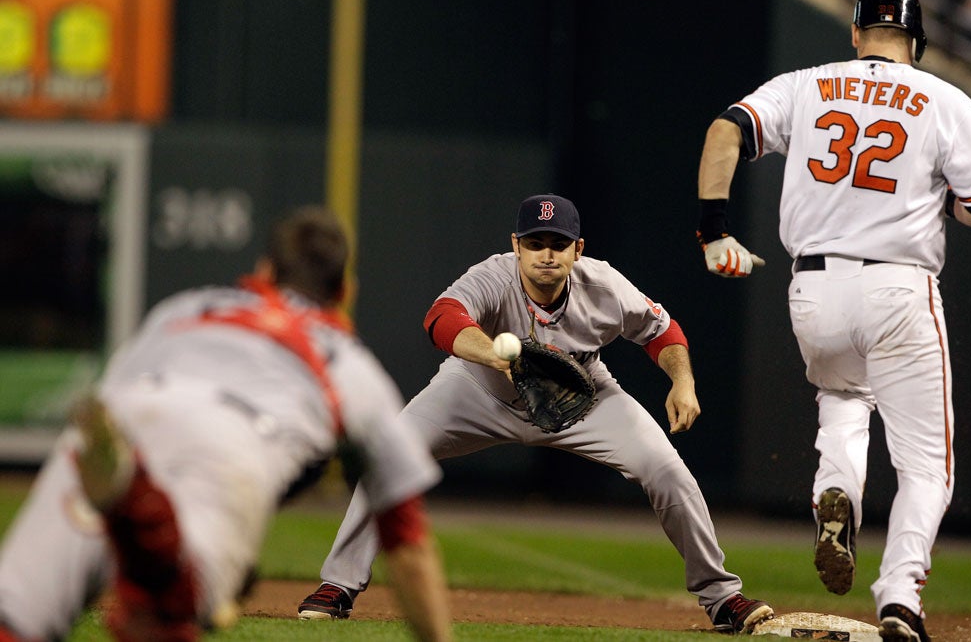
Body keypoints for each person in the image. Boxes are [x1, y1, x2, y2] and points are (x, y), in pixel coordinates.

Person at [295, 194, 774, 634]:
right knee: (386, 456)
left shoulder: (604, 285)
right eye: (535, 243)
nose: (547, 254)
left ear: (577, 249)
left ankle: (722, 598)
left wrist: (683, 381)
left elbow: (662, 332)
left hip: (583, 397)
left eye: (558, 244)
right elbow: (441, 317)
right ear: (516, 246)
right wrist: (491, 355)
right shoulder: (492, 275)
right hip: (478, 391)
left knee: (668, 471)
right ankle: (339, 584)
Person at [694, 0, 971, 642]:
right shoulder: (946, 99)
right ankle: (899, 597)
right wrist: (943, 199)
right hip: (898, 287)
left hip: (813, 290)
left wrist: (715, 229)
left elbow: (727, 128)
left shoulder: (805, 84)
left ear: (855, 32)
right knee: (926, 464)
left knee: (842, 395)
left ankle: (832, 497)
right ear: (917, 40)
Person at [0, 206, 452, 642]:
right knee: (174, 609)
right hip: (227, 439)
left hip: (124, 418)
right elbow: (406, 536)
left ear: (263, 271)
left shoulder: (184, 307)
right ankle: (143, 513)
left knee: (14, 618)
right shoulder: (348, 362)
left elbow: (110, 394)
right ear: (344, 292)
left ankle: (131, 493)